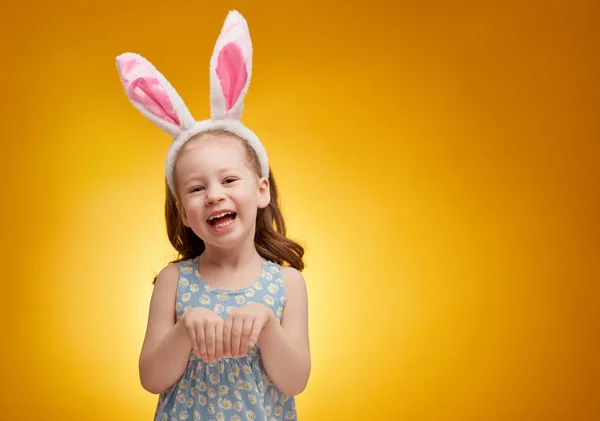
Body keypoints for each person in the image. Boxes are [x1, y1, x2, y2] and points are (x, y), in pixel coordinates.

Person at [115, 10, 311, 421]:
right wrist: (184, 328)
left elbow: (294, 382)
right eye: (197, 188)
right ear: (184, 213)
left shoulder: (287, 283)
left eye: (228, 180)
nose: (213, 196)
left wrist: (267, 326)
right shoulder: (174, 281)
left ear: (261, 191)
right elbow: (151, 378)